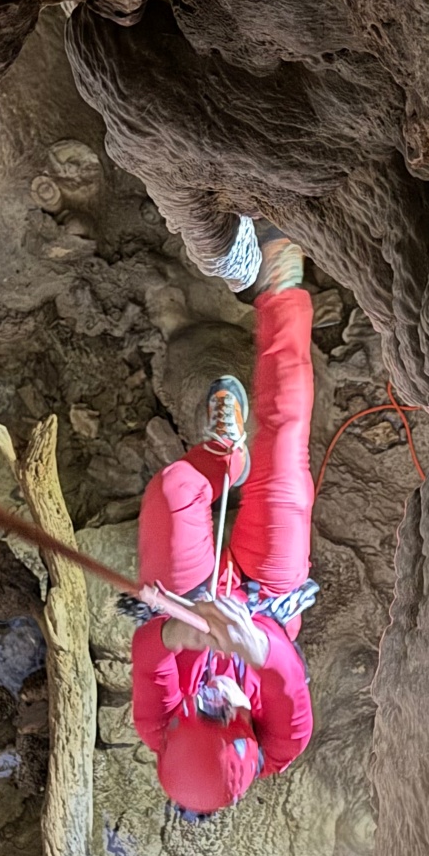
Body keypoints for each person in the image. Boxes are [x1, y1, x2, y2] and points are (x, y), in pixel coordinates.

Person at [129, 231, 317, 817]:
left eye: (198, 708)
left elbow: (148, 655)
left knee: (176, 491)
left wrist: (176, 633)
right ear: (248, 740)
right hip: (268, 602)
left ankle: (223, 455)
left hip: (193, 602)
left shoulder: (157, 728)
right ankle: (281, 298)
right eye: (224, 711)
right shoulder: (283, 745)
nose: (212, 695)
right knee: (286, 452)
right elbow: (288, 682)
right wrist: (256, 646)